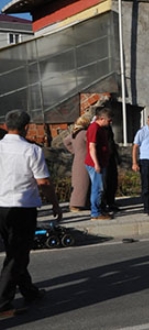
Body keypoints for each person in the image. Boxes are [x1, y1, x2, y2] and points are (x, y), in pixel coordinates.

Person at [0, 110, 62, 318]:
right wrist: (55, 203)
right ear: (26, 127)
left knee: (14, 251)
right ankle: (3, 302)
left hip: (1, 207)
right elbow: (43, 181)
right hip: (21, 207)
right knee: (17, 256)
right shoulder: (31, 150)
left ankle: (29, 291)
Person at [85, 108, 113, 220]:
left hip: (102, 162)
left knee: (100, 187)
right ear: (101, 119)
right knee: (97, 188)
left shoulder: (101, 128)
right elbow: (92, 147)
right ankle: (95, 212)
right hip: (96, 163)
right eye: (109, 120)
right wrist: (96, 164)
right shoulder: (94, 128)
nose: (110, 123)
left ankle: (99, 209)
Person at [63, 116, 91, 212]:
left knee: (78, 182)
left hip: (77, 159)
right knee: (83, 183)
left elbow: (66, 141)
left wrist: (74, 151)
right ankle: (77, 204)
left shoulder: (74, 134)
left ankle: (80, 203)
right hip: (85, 159)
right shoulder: (84, 134)